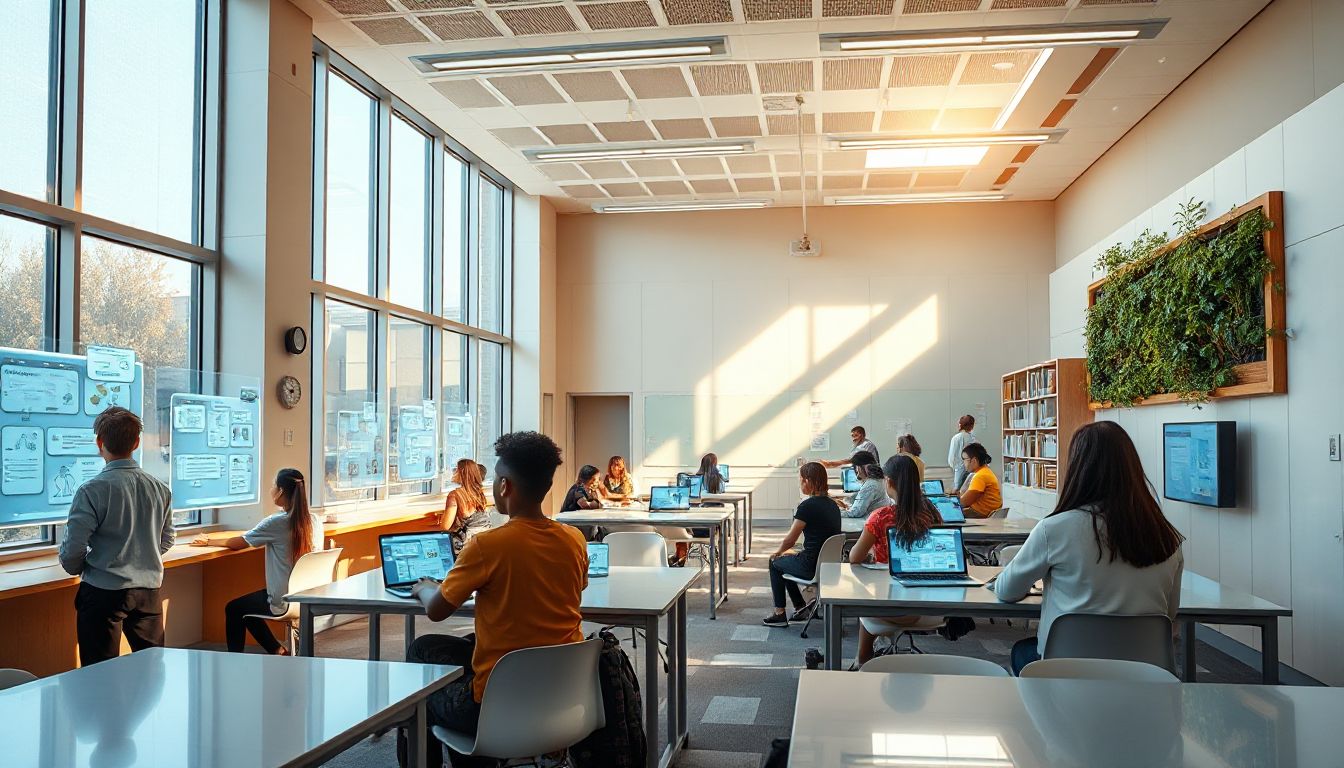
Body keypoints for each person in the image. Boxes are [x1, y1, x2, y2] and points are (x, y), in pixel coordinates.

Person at [403, 432, 586, 768]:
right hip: (561, 694)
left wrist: (424, 587)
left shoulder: (487, 546)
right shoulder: (574, 540)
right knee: (433, 647)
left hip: (494, 703)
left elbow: (437, 609)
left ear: (505, 487)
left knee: (418, 685)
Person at [994, 422, 1185, 675]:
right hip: (1144, 671)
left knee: (1022, 652)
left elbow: (1007, 591)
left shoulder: (1055, 529)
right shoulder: (1165, 535)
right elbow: (1169, 613)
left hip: (1065, 668)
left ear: (1078, 468)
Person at [58, 407, 175, 667]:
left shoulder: (92, 490)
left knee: (99, 670)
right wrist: (142, 556)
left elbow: (72, 551)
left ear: (100, 443)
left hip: (102, 591)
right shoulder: (160, 489)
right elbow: (167, 540)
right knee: (152, 668)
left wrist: (86, 567)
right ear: (136, 442)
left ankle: (104, 710)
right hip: (148, 590)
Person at [192, 468, 323, 654]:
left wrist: (209, 541)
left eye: (273, 486)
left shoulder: (277, 522)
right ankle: (278, 651)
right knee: (246, 610)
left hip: (285, 599)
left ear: (281, 492)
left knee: (234, 608)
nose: (271, 490)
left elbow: (239, 543)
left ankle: (235, 660)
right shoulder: (315, 521)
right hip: (307, 597)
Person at [848, 455, 941, 666]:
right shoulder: (932, 513)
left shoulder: (881, 517)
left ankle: (863, 659)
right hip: (933, 605)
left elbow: (854, 557)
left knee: (863, 599)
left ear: (888, 482)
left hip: (892, 604)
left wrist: (874, 555)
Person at [763, 462, 841, 627]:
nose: (800, 484)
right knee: (786, 560)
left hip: (810, 566)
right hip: (830, 567)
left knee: (774, 562)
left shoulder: (807, 506)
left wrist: (776, 552)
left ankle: (779, 613)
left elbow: (790, 540)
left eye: (800, 480)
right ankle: (800, 607)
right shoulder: (833, 505)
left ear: (807, 481)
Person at [442, 459, 491, 556]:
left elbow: (445, 526)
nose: (453, 472)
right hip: (485, 543)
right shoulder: (479, 493)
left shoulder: (454, 495)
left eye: (456, 469)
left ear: (462, 473)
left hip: (465, 547)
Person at [959, 442, 1002, 518]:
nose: (963, 463)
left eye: (964, 459)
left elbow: (963, 502)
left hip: (979, 515)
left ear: (974, 460)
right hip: (985, 513)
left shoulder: (980, 476)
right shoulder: (986, 471)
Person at [948, 415, 978, 493]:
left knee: (958, 491)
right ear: (972, 426)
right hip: (973, 471)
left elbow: (952, 458)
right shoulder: (973, 439)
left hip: (958, 470)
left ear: (960, 425)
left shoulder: (956, 438)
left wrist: (956, 467)